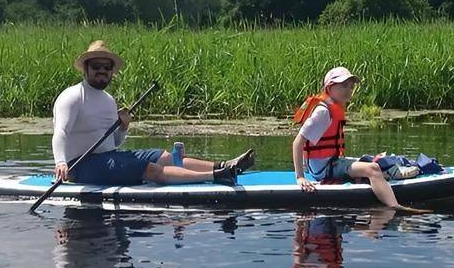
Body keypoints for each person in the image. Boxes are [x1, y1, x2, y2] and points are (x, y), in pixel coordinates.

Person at [52, 40, 255, 186]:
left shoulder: (108, 100)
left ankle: (225, 165)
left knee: (165, 156)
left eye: (107, 67)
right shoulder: (72, 97)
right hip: (79, 166)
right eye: (96, 67)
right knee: (150, 169)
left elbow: (112, 143)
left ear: (112, 71)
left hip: (109, 157)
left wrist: (123, 128)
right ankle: (218, 175)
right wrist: (61, 162)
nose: (102, 71)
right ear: (86, 69)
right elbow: (60, 132)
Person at [292, 66, 430, 213]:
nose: (349, 90)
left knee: (369, 160)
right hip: (324, 169)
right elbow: (297, 142)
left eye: (351, 87)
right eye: (344, 86)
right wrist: (300, 177)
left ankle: (381, 177)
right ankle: (395, 206)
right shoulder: (323, 112)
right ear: (329, 88)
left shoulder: (332, 107)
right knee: (373, 168)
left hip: (331, 162)